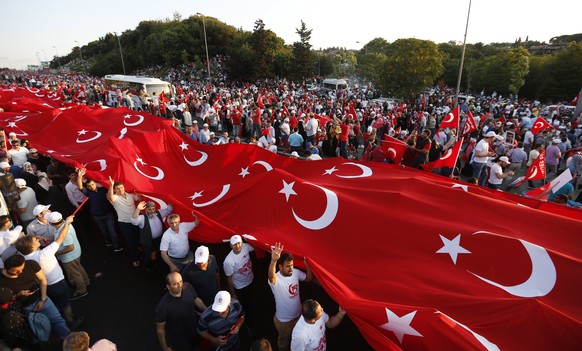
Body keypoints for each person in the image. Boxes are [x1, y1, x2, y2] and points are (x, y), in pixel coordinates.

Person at [16, 214, 84, 328]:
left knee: (55, 304)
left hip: (43, 287)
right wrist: (67, 223)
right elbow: (61, 237)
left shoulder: (23, 258)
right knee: (65, 303)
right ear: (32, 247)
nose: (38, 239)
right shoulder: (44, 253)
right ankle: (70, 321)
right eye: (35, 240)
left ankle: (61, 319)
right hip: (58, 283)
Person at [0, 254, 71, 339]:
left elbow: (42, 279)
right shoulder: (2, 280)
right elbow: (4, 299)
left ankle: (68, 340)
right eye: (16, 271)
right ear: (7, 269)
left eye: (22, 269)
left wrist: (43, 299)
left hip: (41, 299)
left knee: (57, 320)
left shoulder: (31, 264)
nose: (20, 272)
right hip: (24, 308)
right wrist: (17, 295)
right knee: (35, 330)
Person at [268, 242, 313, 351]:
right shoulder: (276, 279)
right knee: (284, 342)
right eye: (288, 266)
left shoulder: (296, 273)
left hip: (299, 317)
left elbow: (308, 279)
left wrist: (308, 266)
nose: (291, 269)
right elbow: (271, 277)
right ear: (280, 266)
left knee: (298, 338)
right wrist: (273, 260)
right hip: (284, 322)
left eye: (292, 266)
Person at [156, 272, 206, 351]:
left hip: (194, 330)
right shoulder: (163, 306)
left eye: (180, 281)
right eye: (175, 284)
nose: (180, 286)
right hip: (179, 339)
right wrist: (164, 347)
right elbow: (160, 329)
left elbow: (196, 299)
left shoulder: (188, 287)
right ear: (168, 287)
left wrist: (206, 311)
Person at [46, 211, 90, 300]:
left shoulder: (62, 232)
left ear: (51, 223)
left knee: (75, 274)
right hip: (76, 254)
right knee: (78, 267)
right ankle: (86, 281)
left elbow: (70, 248)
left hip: (69, 257)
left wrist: (56, 253)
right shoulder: (66, 224)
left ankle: (82, 290)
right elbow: (57, 237)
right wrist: (43, 237)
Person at [76, 169, 122, 252]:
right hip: (97, 216)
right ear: (87, 187)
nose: (91, 187)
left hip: (108, 214)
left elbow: (111, 191)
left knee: (112, 231)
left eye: (92, 184)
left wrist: (111, 185)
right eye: (89, 186)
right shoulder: (88, 192)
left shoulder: (103, 190)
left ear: (95, 184)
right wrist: (79, 176)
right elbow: (80, 187)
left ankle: (117, 247)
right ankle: (108, 241)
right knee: (104, 231)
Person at [223, 234, 256, 334]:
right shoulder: (228, 261)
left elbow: (254, 246)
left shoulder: (245, 247)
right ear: (231, 246)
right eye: (235, 244)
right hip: (240, 287)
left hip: (251, 279)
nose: (237, 246)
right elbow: (228, 279)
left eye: (239, 243)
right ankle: (249, 325)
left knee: (250, 301)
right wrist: (233, 294)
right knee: (245, 307)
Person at [107, 176, 141, 267]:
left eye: (121, 187)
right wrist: (111, 184)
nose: (120, 190)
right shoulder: (115, 198)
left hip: (136, 221)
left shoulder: (131, 196)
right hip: (125, 223)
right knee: (130, 242)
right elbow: (110, 196)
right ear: (115, 190)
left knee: (138, 238)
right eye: (117, 188)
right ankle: (135, 258)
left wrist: (139, 193)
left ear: (124, 187)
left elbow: (140, 199)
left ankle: (139, 250)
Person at [130, 201, 173, 271]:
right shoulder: (142, 218)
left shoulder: (159, 213)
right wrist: (138, 209)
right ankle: (149, 267)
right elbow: (134, 221)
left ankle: (160, 266)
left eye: (153, 209)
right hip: (149, 242)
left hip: (160, 239)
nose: (152, 211)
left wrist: (169, 199)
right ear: (146, 209)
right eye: (149, 209)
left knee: (161, 253)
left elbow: (169, 210)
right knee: (149, 256)